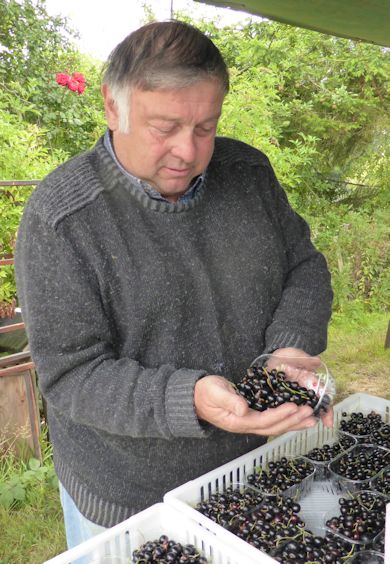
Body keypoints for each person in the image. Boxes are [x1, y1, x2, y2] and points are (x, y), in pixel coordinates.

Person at [15, 20, 333, 549]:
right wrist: (189, 398)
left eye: (206, 127)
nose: (188, 151)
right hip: (128, 496)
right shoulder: (61, 219)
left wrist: (290, 345)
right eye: (164, 127)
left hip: (249, 467)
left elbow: (304, 265)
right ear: (112, 108)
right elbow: (73, 376)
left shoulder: (249, 173)